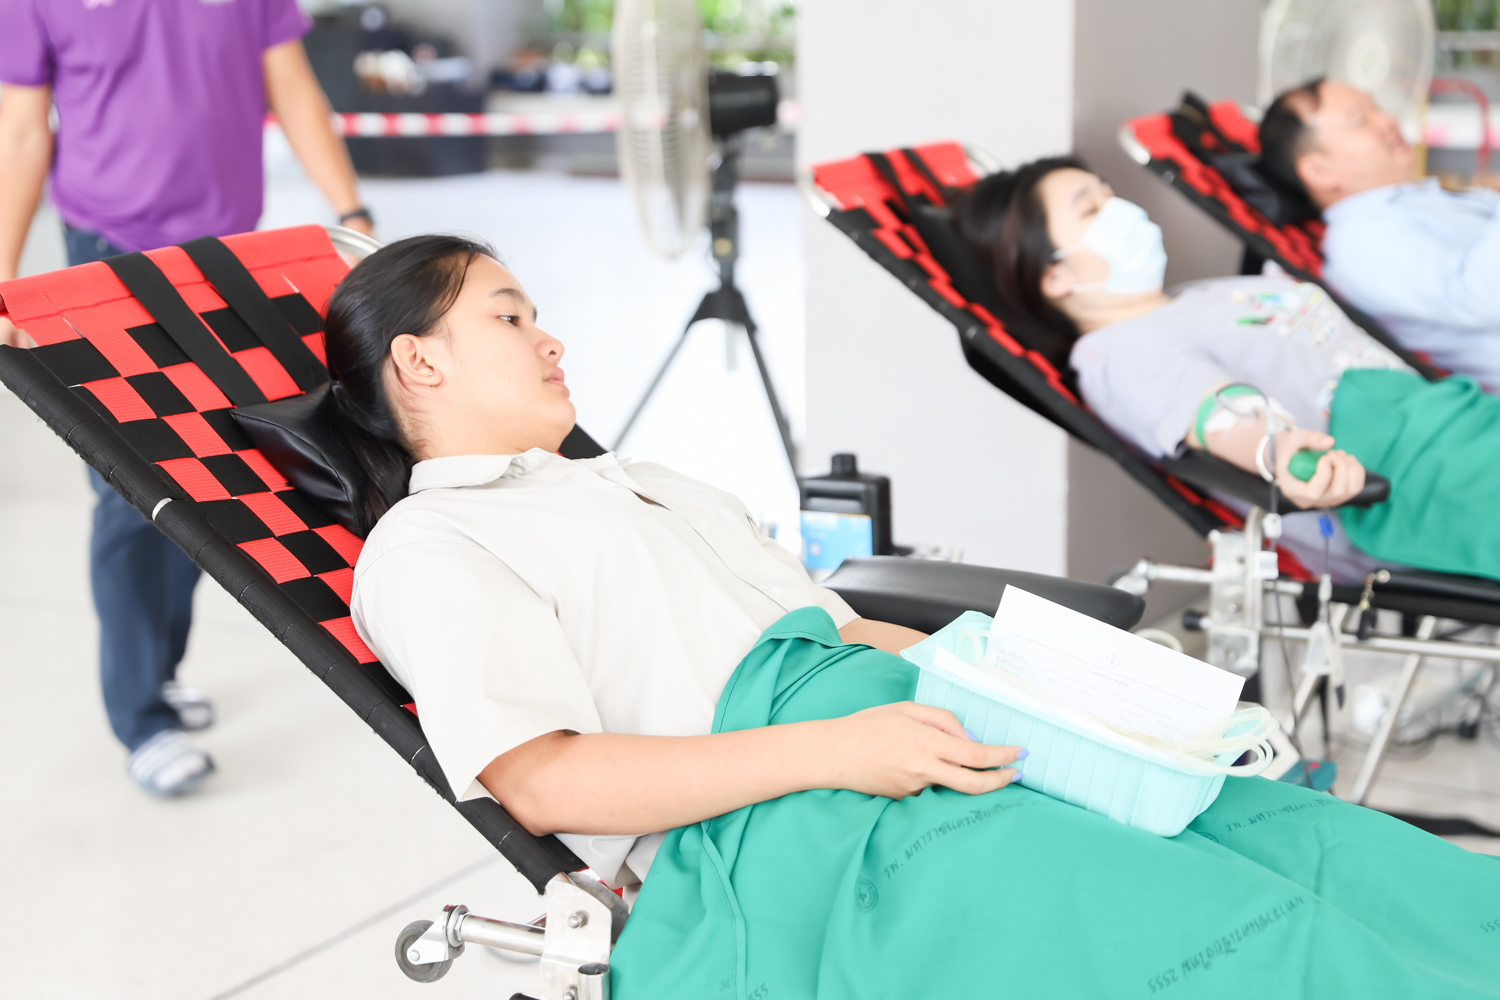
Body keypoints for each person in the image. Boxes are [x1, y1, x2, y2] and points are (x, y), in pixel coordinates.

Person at [333, 235, 1500, 997]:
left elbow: (847, 635)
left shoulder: (646, 481)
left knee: (1323, 847)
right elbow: (543, 781)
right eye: (509, 318)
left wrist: (1074, 694)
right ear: (418, 364)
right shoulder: (432, 543)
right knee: (1251, 935)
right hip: (793, 816)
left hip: (916, 725)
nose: (551, 338)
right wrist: (841, 749)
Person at [0, 0, 375, 795]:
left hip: (221, 255)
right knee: (124, 489)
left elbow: (291, 87)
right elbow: (24, 130)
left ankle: (161, 670)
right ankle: (141, 717)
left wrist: (350, 211)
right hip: (100, 254)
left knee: (207, 472)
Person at [955, 156, 1500, 586]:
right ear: (1054, 277)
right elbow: (1222, 415)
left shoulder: (1194, 296)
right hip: (1415, 483)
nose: (1119, 209)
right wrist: (1279, 453)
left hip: (1460, 422)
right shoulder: (1121, 355)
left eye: (1108, 193)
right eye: (1091, 210)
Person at [1258, 78, 1500, 389]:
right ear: (1320, 171)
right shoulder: (1360, 241)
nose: (1388, 120)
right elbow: (1484, 296)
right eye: (1360, 120)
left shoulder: (1408, 205)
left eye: (1377, 108)